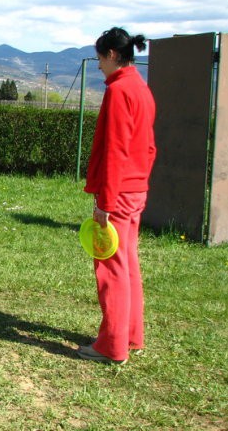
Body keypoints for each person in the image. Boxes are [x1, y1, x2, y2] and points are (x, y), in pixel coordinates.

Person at [78, 27, 156, 364]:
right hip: (136, 189)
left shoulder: (120, 91)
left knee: (111, 268)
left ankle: (112, 346)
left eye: (99, 59)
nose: (98, 66)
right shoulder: (141, 87)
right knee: (128, 265)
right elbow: (148, 147)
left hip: (119, 192)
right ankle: (131, 336)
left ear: (111, 55)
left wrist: (105, 203)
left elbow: (114, 151)